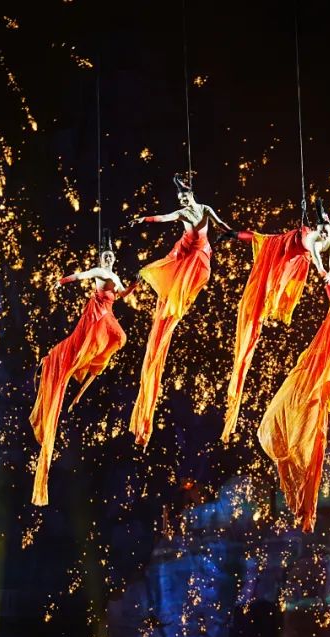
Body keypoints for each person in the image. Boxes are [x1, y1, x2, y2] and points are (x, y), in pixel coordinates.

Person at [257, 282, 330, 532]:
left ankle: (304, 503)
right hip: (311, 376)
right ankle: (301, 497)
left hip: (318, 382)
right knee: (300, 428)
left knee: (310, 437)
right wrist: (326, 280)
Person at [220, 199, 330, 441]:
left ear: (329, 228)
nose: (324, 235)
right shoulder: (314, 239)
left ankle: (231, 234)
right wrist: (324, 275)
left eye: (326, 231)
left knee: (268, 253)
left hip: (296, 255)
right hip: (289, 246)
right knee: (265, 246)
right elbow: (319, 262)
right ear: (317, 229)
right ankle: (231, 234)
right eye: (321, 231)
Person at [127, 174, 232, 446]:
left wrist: (231, 233)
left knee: (198, 274)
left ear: (191, 193)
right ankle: (171, 298)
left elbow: (220, 224)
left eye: (184, 196)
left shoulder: (205, 209)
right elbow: (164, 218)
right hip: (184, 255)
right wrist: (143, 219)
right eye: (180, 197)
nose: (182, 200)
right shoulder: (183, 213)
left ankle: (178, 298)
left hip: (199, 256)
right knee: (170, 294)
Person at [30, 249, 137, 506]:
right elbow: (80, 276)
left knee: (120, 339)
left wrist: (134, 283)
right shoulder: (99, 271)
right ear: (102, 259)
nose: (109, 259)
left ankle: (88, 369)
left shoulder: (114, 276)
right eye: (106, 256)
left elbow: (122, 295)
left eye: (111, 257)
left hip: (108, 316)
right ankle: (70, 361)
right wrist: (61, 281)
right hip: (98, 317)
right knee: (94, 344)